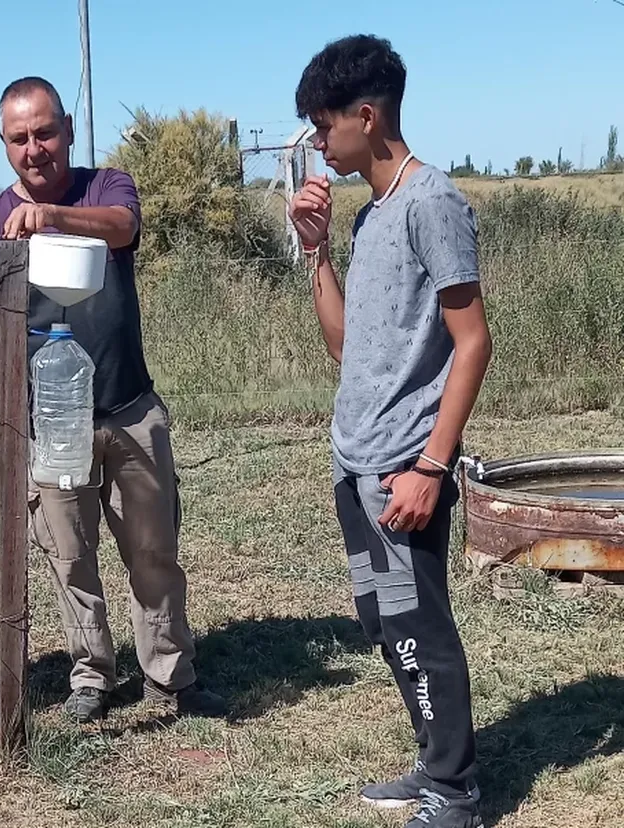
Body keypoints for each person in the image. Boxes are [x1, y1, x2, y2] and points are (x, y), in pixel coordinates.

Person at [0, 76, 225, 723]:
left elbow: (122, 229)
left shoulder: (106, 186)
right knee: (70, 557)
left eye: (45, 132)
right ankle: (91, 676)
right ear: (4, 144)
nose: (35, 148)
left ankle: (170, 677)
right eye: (20, 138)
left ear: (67, 128)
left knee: (153, 551)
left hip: (129, 406)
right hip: (53, 419)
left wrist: (51, 219)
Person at [290, 37, 492, 828]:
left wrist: (430, 468)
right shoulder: (373, 214)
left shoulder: (429, 202)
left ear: (366, 117)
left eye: (323, 124)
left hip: (403, 470)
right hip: (357, 462)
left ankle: (456, 793)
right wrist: (316, 255)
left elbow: (472, 340)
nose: (316, 140)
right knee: (384, 621)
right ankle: (434, 760)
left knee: (418, 625)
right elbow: (345, 346)